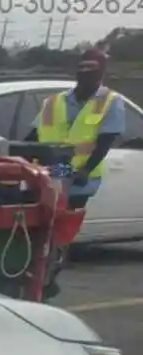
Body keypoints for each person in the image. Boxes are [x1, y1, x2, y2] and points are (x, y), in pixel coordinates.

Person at [32, 47, 125, 298]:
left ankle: (50, 274)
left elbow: (105, 142)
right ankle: (38, 272)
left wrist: (84, 169)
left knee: (61, 228)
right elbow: (32, 136)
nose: (85, 76)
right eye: (81, 70)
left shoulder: (110, 102)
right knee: (41, 224)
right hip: (53, 171)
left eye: (91, 71)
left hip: (80, 176)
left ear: (101, 73)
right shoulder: (55, 102)